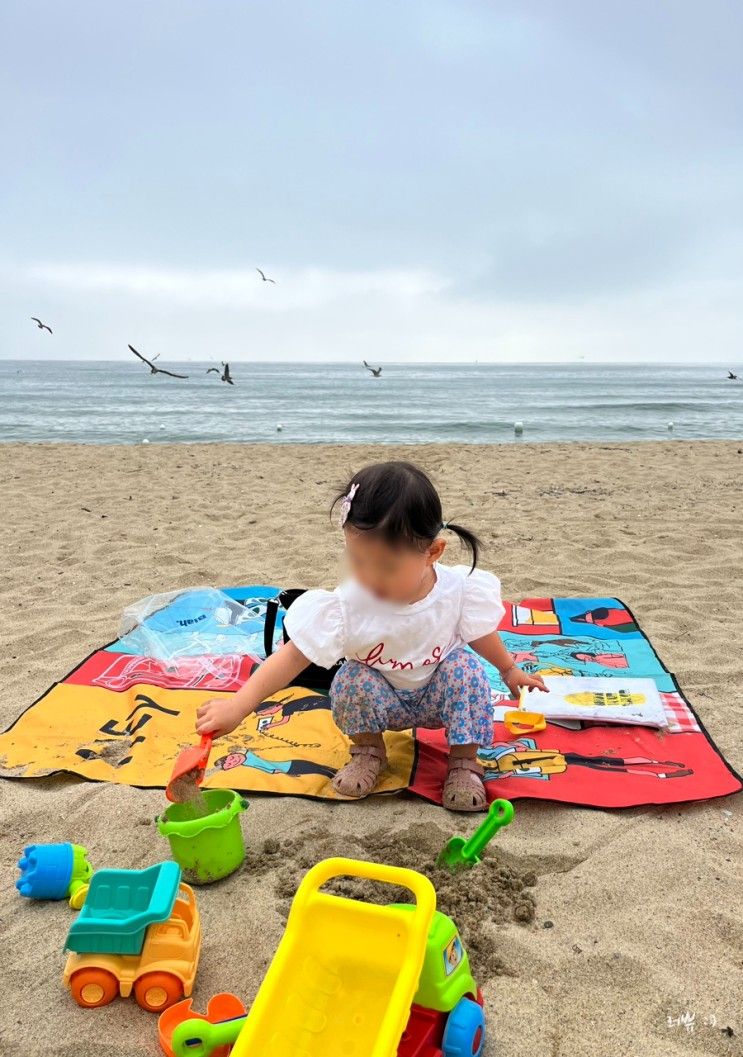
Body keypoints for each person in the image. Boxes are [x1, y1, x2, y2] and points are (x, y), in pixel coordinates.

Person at [196, 461, 546, 811]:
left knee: (465, 668)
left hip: (440, 697)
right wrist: (237, 706)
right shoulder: (350, 604)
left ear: (432, 553)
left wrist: (508, 670)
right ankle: (368, 751)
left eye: (387, 567)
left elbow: (481, 633)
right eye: (357, 561)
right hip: (383, 701)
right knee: (350, 678)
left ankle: (464, 762)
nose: (369, 578)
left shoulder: (457, 590)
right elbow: (292, 657)